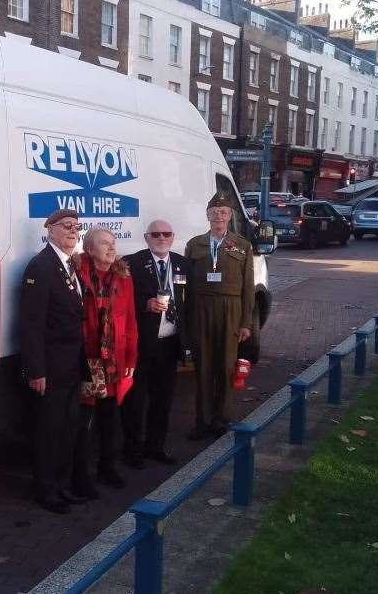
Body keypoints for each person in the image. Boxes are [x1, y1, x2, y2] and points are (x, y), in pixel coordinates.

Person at [20, 208, 87, 514]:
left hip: (71, 364)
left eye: (76, 226)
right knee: (48, 431)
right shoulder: (41, 266)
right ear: (50, 230)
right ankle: (45, 490)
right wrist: (36, 370)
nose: (73, 231)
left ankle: (62, 485)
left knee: (69, 427)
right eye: (66, 226)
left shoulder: (70, 264)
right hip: (50, 367)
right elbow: (31, 323)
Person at [183, 192, 255, 439]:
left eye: (223, 212)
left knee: (226, 366)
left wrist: (246, 323)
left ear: (230, 216)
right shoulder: (195, 245)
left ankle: (221, 420)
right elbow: (186, 285)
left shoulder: (243, 246)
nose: (218, 216)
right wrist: (188, 318)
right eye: (214, 212)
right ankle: (202, 421)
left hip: (231, 309)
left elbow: (248, 288)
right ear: (207, 215)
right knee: (203, 366)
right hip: (202, 307)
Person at [121, 220, 188, 468]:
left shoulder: (182, 263)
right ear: (146, 238)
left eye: (166, 234)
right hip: (142, 344)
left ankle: (156, 447)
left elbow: (186, 303)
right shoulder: (133, 263)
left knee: (163, 399)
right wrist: (145, 304)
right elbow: (122, 302)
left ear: (173, 237)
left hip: (169, 344)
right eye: (156, 234)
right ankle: (133, 451)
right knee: (135, 401)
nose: (161, 238)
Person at [74, 227, 138, 490]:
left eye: (113, 243)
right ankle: (81, 473)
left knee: (109, 418)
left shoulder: (123, 278)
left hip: (113, 359)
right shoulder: (77, 275)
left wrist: (132, 360)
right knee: (84, 420)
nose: (112, 248)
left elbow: (131, 322)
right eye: (105, 244)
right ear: (89, 249)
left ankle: (107, 467)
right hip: (86, 359)